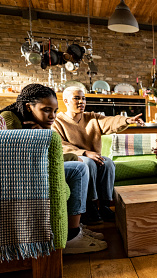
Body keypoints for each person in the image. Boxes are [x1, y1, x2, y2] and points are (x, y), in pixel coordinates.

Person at [0, 83, 107, 254]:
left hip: (35, 168)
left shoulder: (32, 120)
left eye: (55, 111)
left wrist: (44, 131)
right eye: (47, 110)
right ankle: (71, 237)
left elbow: (45, 156)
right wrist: (39, 135)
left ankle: (76, 227)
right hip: (22, 177)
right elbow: (18, 159)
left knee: (78, 165)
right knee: (78, 169)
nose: (53, 116)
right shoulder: (10, 118)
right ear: (29, 107)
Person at [52, 86, 145, 225]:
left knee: (107, 162)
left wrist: (127, 121)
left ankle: (105, 206)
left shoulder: (92, 117)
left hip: (92, 156)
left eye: (83, 98)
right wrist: (84, 152)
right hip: (73, 158)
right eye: (77, 98)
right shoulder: (57, 121)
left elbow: (110, 122)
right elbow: (60, 145)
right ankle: (90, 207)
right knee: (88, 162)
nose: (81, 102)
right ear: (65, 101)